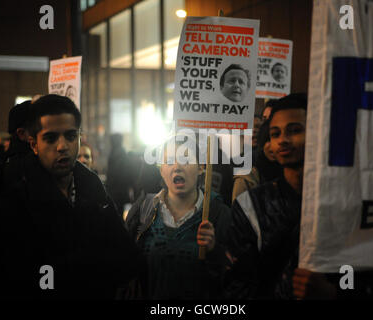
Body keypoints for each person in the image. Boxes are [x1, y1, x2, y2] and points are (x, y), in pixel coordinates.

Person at [0, 94, 143, 299]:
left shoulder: (91, 184)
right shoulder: (14, 192)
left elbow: (123, 253)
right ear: (33, 144)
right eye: (51, 138)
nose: (62, 146)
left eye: (71, 136)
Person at [125, 134, 231, 299]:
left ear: (201, 167)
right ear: (161, 170)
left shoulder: (219, 214)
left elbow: (235, 279)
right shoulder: (143, 209)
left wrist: (214, 251)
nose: (177, 167)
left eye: (186, 160)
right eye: (169, 162)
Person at [225, 93, 307, 299]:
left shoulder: (339, 202)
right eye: (275, 133)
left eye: (295, 130)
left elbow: (350, 270)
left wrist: (338, 291)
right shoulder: (250, 206)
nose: (283, 141)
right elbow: (237, 282)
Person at [106, 133, 132, 214]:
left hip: (116, 190)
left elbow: (114, 173)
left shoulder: (115, 153)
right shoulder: (121, 152)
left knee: (117, 212)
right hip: (120, 190)